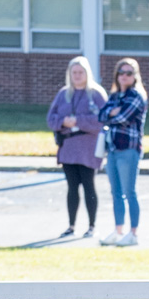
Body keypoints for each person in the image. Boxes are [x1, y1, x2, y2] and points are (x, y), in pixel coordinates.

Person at [47, 57, 105, 238]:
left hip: (88, 149)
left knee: (89, 186)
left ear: (87, 73)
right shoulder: (63, 94)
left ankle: (91, 226)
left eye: (81, 72)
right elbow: (51, 119)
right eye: (74, 73)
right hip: (68, 149)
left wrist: (79, 121)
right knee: (72, 188)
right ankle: (71, 226)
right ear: (70, 74)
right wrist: (63, 121)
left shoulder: (96, 94)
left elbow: (102, 121)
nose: (78, 76)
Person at [98, 59, 147, 246]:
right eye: (121, 72)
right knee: (116, 192)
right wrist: (111, 113)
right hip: (112, 149)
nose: (124, 76)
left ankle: (133, 234)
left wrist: (112, 114)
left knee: (130, 191)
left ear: (135, 76)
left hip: (129, 149)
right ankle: (118, 231)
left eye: (129, 73)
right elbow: (101, 116)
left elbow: (122, 117)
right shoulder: (115, 96)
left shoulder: (137, 96)